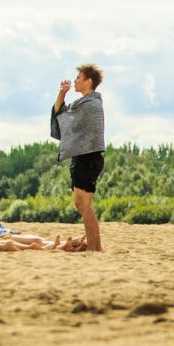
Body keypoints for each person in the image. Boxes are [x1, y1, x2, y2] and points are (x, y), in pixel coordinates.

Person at [51, 63, 105, 251]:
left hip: (89, 157)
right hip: (82, 156)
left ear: (88, 81)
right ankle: (95, 245)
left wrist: (64, 100)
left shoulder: (91, 104)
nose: (75, 81)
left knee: (84, 203)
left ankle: (94, 246)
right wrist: (62, 94)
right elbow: (61, 114)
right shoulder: (82, 104)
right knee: (81, 204)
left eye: (78, 78)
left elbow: (65, 118)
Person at [0, 191, 85, 251]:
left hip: (5, 234)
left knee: (36, 239)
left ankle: (69, 244)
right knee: (31, 242)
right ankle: (62, 246)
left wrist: (16, 232)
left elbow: (1, 228)